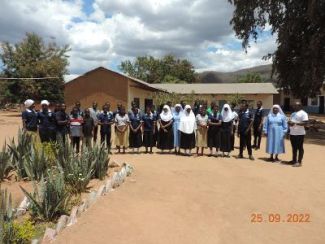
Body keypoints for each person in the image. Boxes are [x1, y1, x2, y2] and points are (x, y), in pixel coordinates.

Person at [288, 102, 309, 167]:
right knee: (294, 147)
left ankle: (299, 162)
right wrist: (289, 123)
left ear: (300, 106)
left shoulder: (303, 113)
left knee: (300, 147)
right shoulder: (293, 113)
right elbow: (290, 121)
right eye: (294, 105)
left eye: (295, 105)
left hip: (300, 133)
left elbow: (305, 123)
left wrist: (295, 123)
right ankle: (294, 160)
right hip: (292, 133)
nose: (294, 106)